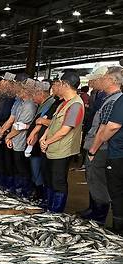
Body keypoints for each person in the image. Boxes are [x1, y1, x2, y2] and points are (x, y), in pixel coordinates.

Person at [80, 67, 122, 224]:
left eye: (104, 78)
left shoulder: (113, 101)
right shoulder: (108, 98)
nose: (101, 80)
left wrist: (92, 150)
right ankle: (95, 213)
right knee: (95, 180)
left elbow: (105, 128)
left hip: (102, 148)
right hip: (102, 147)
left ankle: (99, 219)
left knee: (98, 182)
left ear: (111, 81)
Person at [40, 70, 85, 213]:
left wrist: (47, 141)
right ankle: (49, 205)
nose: (56, 86)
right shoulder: (63, 104)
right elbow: (53, 123)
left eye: (58, 83)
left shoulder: (76, 105)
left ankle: (56, 212)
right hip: (52, 147)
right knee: (49, 178)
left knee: (58, 181)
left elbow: (65, 130)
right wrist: (44, 137)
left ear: (65, 84)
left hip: (62, 149)